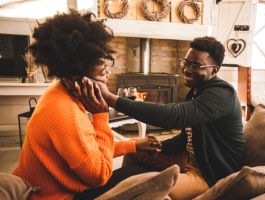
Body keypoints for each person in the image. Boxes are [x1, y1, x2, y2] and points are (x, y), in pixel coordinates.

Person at [13, 10, 160, 200]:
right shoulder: (65, 112)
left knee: (136, 173)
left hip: (47, 189)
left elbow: (87, 150)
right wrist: (101, 115)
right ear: (79, 80)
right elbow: (99, 175)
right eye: (102, 71)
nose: (108, 74)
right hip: (55, 196)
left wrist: (132, 145)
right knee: (139, 177)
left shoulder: (59, 92)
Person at [80, 36, 245, 199]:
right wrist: (158, 146)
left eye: (195, 66)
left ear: (214, 70)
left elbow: (174, 116)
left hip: (208, 174)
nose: (187, 70)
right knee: (134, 150)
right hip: (188, 158)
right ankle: (117, 189)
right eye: (186, 63)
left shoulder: (222, 94)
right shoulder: (198, 90)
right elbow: (188, 137)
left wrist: (111, 99)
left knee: (150, 186)